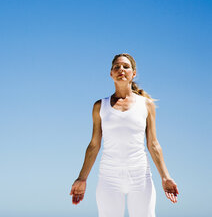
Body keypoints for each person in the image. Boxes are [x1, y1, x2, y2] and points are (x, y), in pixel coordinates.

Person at [69, 53, 179, 217]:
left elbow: (153, 144)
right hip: (109, 178)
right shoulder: (100, 106)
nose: (121, 69)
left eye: (126, 66)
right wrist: (82, 178)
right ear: (111, 73)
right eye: (116, 67)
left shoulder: (146, 105)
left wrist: (165, 177)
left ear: (133, 73)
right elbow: (94, 144)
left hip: (140, 178)